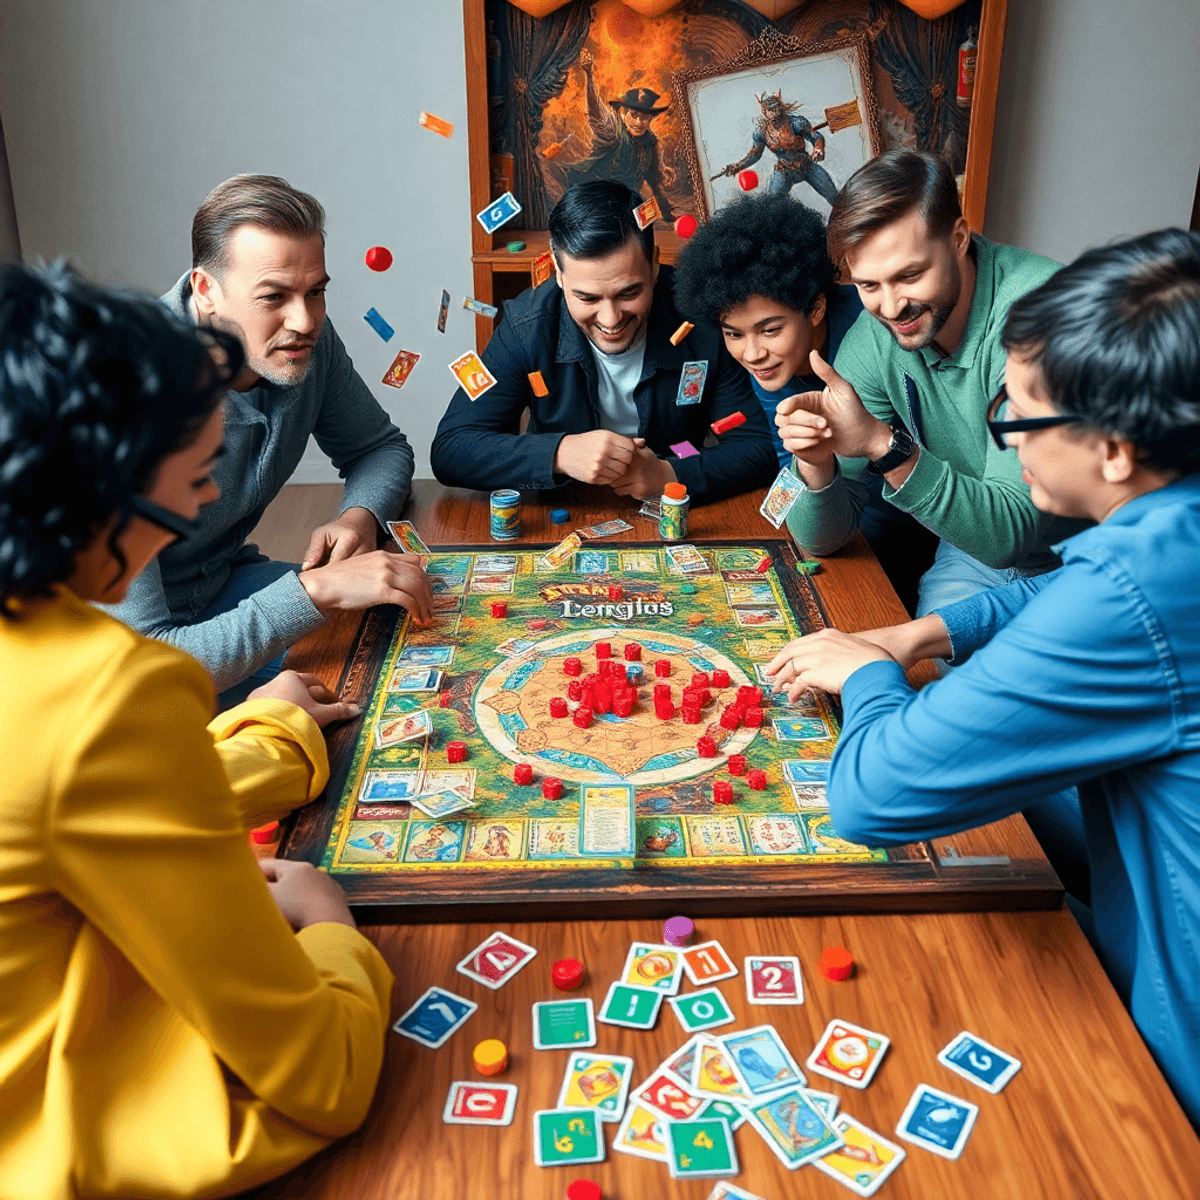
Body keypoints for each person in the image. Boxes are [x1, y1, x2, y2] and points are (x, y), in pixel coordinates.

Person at [766, 228, 1200, 1128]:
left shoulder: (1132, 592)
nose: (1007, 440)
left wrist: (868, 675)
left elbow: (871, 794)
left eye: (1020, 417)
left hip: (1176, 1055)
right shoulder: (1170, 521)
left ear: (1115, 450)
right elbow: (1065, 589)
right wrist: (924, 630)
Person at [0, 261, 394, 1197]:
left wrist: (275, 742)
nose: (196, 507)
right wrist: (332, 923)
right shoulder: (113, 696)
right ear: (104, 490)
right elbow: (324, 1076)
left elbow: (83, 814)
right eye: (190, 478)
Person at [105, 174, 433, 706]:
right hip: (127, 664)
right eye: (274, 297)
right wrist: (316, 590)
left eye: (317, 292)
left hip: (222, 587)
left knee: (402, 626)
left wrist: (360, 516)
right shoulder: (122, 400)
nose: (304, 321)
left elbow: (379, 447)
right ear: (206, 290)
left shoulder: (305, 342)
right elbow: (146, 665)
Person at [775, 150, 1087, 625]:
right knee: (935, 676)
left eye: (910, 275)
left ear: (959, 239)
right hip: (975, 553)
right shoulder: (874, 337)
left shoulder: (1042, 317)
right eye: (869, 285)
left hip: (1089, 557)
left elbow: (1012, 532)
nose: (891, 306)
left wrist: (883, 445)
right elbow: (820, 539)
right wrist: (814, 463)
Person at [430, 179, 778, 504]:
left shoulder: (699, 315)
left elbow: (759, 445)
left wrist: (668, 474)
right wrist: (560, 453)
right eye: (588, 298)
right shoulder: (526, 326)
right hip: (566, 511)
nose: (611, 320)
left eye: (630, 293)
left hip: (675, 510)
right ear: (558, 272)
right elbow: (450, 448)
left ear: (655, 265)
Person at [673, 193, 938, 612]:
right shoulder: (771, 366)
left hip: (918, 538)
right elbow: (789, 464)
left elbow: (915, 467)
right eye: (734, 334)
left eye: (770, 329)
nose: (752, 353)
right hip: (842, 537)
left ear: (815, 307)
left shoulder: (873, 334)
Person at [564, 49, 675, 221]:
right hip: (596, 194)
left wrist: (665, 209)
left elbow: (653, 179)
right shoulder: (613, 133)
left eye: (644, 117)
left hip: (625, 199)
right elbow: (595, 111)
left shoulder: (650, 143)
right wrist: (589, 75)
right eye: (634, 115)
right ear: (623, 114)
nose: (639, 122)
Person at [712, 91, 839, 206]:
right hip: (784, 170)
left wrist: (818, 148)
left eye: (775, 108)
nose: (774, 112)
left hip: (806, 165)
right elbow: (754, 155)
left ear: (780, 108)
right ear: (764, 112)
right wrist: (735, 167)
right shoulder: (761, 133)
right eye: (770, 109)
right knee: (773, 205)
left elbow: (815, 136)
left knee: (833, 195)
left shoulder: (796, 123)